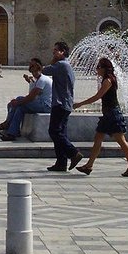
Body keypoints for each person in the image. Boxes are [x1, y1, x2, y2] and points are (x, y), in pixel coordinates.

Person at [73, 56, 128, 177]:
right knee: (98, 138)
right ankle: (89, 165)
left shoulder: (108, 81)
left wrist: (80, 104)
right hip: (108, 114)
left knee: (121, 141)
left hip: (113, 114)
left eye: (98, 67)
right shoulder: (105, 80)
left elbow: (97, 97)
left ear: (104, 68)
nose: (96, 69)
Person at [42, 41, 82, 172]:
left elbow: (44, 70)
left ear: (63, 52)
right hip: (66, 104)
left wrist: (53, 59)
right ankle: (61, 162)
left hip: (59, 104)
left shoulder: (60, 65)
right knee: (61, 133)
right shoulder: (67, 65)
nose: (53, 53)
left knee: (54, 131)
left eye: (55, 51)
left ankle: (73, 153)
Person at [0, 57, 52, 141]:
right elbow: (32, 95)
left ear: (38, 67)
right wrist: (18, 102)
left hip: (46, 106)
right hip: (41, 103)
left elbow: (31, 97)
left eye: (32, 65)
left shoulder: (42, 80)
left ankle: (9, 127)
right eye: (30, 65)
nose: (30, 66)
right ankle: (12, 131)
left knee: (20, 103)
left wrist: (17, 102)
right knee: (19, 105)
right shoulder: (37, 80)